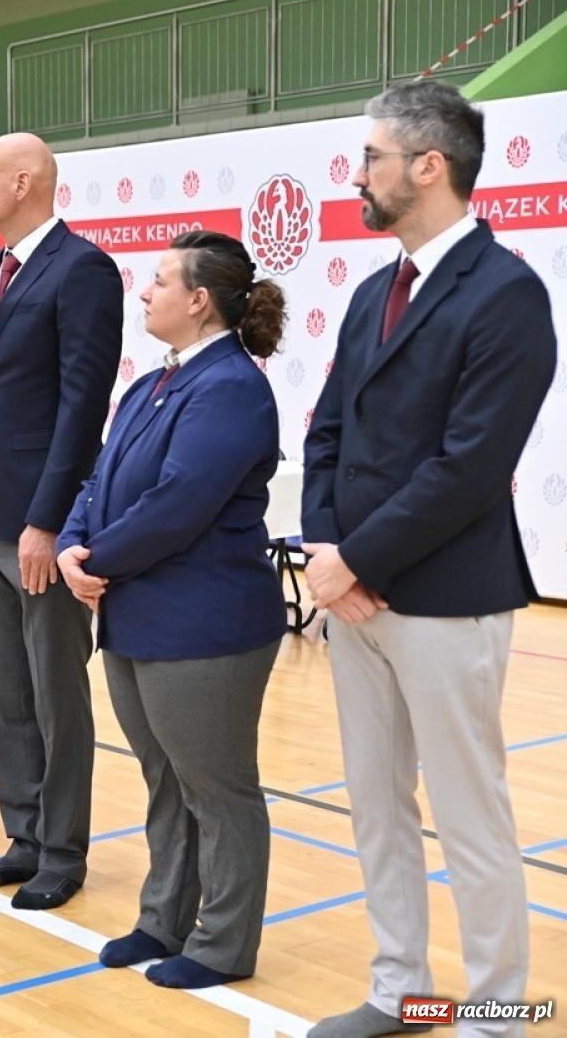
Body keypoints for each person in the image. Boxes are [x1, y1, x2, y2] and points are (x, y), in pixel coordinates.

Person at [302, 81, 556, 1038]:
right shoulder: (374, 288)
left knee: (470, 817)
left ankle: (499, 1016)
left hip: (447, 598)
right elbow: (327, 432)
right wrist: (332, 551)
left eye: (370, 156)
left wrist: (354, 560)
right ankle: (400, 989)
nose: (359, 172)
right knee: (377, 808)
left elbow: (470, 467)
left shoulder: (507, 294)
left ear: (427, 165)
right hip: (356, 595)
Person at [58, 230, 288, 990]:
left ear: (199, 300)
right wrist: (70, 544)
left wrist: (95, 561)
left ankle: (223, 942)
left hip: (204, 624)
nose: (144, 293)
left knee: (217, 788)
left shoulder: (230, 387)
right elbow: (97, 482)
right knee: (165, 780)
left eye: (157, 281)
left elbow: (178, 505)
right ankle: (164, 916)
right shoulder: (153, 383)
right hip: (135, 613)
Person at [0, 133, 123, 909]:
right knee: (2, 687)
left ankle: (62, 847)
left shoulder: (82, 270)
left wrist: (49, 519)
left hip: (36, 524)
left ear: (25, 181)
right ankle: (22, 832)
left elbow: (82, 405)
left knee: (54, 690)